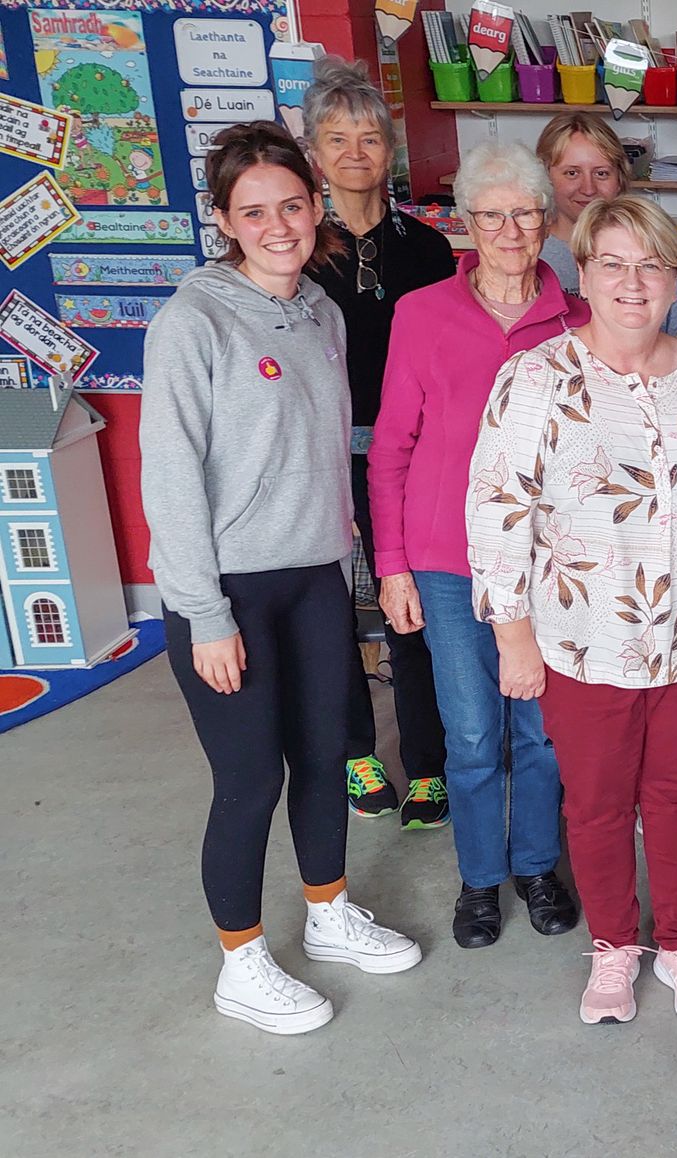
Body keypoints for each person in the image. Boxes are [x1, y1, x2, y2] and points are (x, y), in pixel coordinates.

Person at [142, 120, 420, 1036]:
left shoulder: (322, 313)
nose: (278, 225)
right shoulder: (193, 319)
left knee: (325, 758)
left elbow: (321, 453)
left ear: (314, 208)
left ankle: (330, 910)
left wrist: (348, 564)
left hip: (314, 579)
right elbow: (172, 475)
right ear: (224, 219)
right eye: (253, 211)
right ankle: (241, 959)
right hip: (230, 592)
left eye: (291, 206)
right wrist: (202, 612)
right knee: (249, 777)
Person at [469, 194, 677, 1023]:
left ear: (675, 278)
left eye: (651, 264)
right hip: (583, 639)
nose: (633, 283)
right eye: (612, 263)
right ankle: (614, 946)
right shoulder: (536, 377)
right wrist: (513, 636)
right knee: (597, 802)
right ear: (584, 274)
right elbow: (497, 509)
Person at [370, 140, 588, 950]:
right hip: (446, 558)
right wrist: (392, 565)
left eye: (524, 213)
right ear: (465, 222)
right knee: (469, 733)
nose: (508, 229)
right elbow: (391, 445)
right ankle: (479, 880)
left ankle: (534, 865)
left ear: (544, 221)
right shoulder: (421, 314)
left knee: (540, 731)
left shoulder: (578, 318)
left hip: (550, 563)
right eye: (490, 214)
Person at [302, 55, 456, 827]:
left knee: (412, 609)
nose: (356, 152)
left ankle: (427, 765)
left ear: (390, 150)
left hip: (409, 456)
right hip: (322, 457)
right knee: (330, 613)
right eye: (338, 139)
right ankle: (357, 751)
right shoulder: (297, 252)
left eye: (370, 137)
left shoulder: (427, 249)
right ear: (314, 154)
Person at [534, 111, 629, 296]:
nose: (588, 189)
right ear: (545, 177)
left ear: (619, 178)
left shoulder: (648, 249)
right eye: (572, 173)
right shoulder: (529, 252)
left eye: (601, 173)